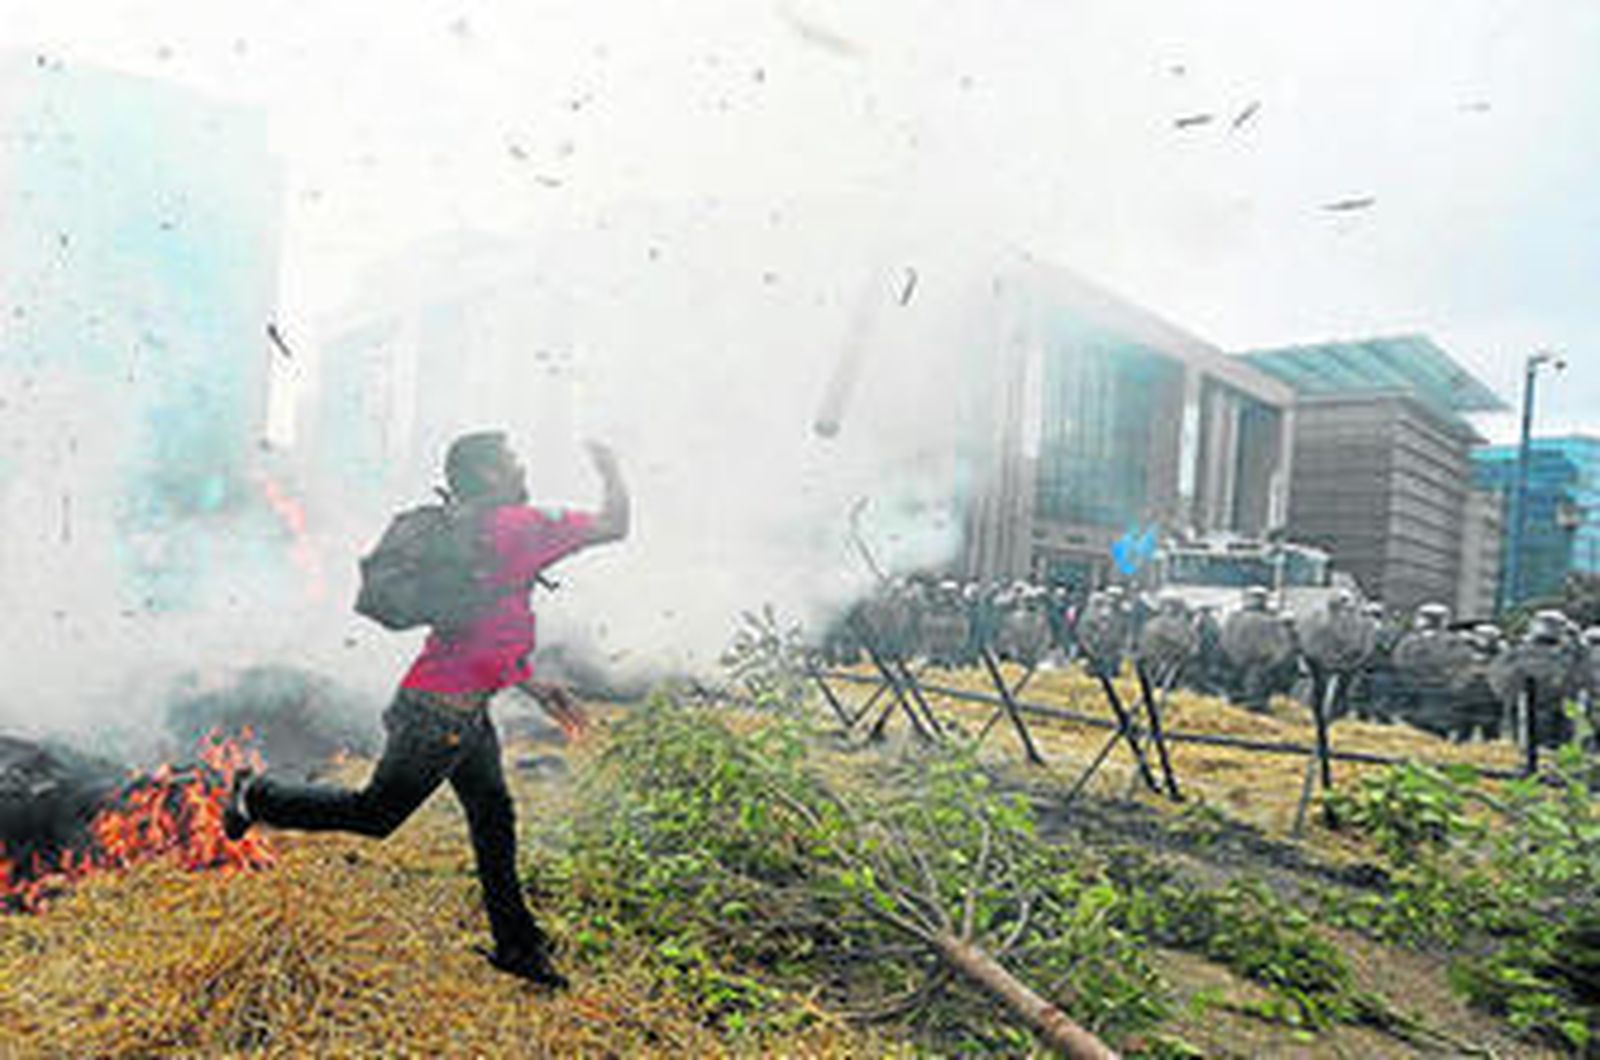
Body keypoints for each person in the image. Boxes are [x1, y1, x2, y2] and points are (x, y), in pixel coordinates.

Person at [224, 430, 629, 989]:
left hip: (459, 712)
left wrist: (532, 684)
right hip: (436, 719)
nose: (522, 469)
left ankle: (517, 945)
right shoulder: (520, 528)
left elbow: (487, 633)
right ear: (488, 475)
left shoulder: (474, 534)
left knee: (493, 816)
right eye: (513, 461)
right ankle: (255, 795)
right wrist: (610, 467)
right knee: (376, 815)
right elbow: (615, 524)